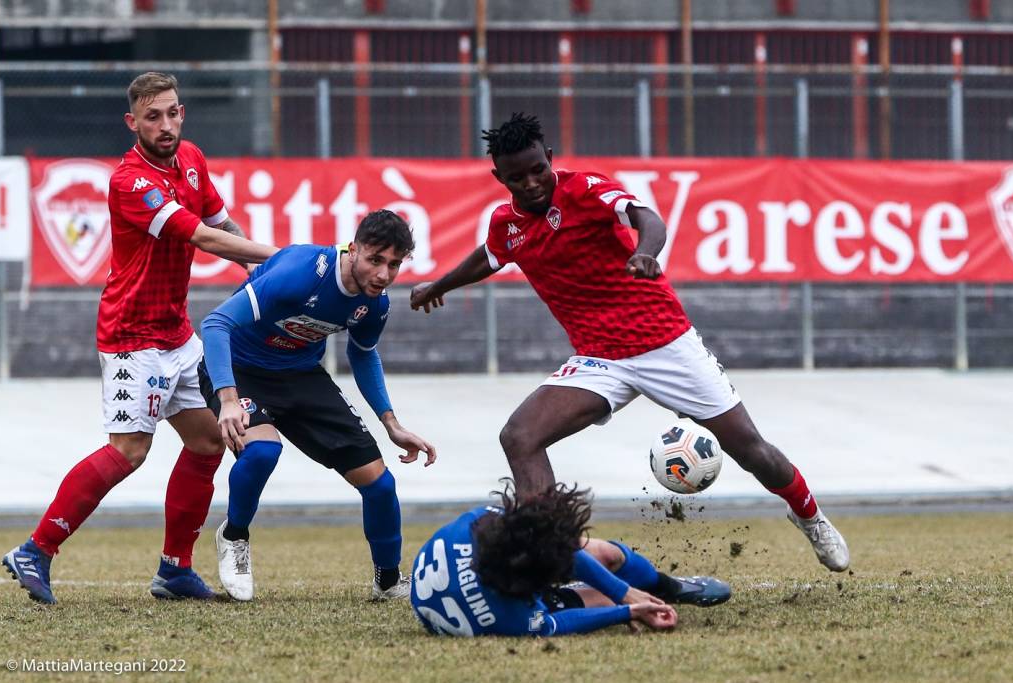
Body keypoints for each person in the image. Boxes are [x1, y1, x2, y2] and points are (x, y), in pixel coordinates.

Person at [410, 113, 850, 573]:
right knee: (519, 436)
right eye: (517, 178)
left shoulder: (585, 189)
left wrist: (645, 251)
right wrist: (439, 285)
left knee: (750, 450)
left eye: (538, 169)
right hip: (599, 359)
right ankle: (548, 555)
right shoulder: (507, 223)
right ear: (500, 178)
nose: (532, 183)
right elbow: (491, 256)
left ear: (551, 160)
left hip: (666, 344)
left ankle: (809, 515)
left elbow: (647, 218)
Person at [1, 72, 278, 605]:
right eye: (154, 116)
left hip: (176, 333)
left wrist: (265, 275)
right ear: (134, 123)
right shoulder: (130, 181)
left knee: (207, 441)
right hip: (132, 337)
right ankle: (36, 550)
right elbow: (199, 235)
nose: (167, 124)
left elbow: (227, 228)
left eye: (173, 112)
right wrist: (282, 257)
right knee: (130, 450)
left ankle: (174, 570)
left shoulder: (193, 160)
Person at [198, 209, 436, 602]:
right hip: (239, 370)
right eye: (375, 260)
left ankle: (389, 580)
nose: (383, 274)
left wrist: (390, 422)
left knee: (380, 484)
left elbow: (363, 355)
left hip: (301, 376)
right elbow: (215, 324)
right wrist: (226, 399)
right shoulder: (303, 270)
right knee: (261, 452)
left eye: (394, 265)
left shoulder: (374, 305)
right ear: (353, 249)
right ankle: (234, 535)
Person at [410, 479, 730, 637]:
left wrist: (625, 592)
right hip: (495, 596)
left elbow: (555, 546)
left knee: (603, 555)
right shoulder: (513, 618)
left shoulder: (478, 525)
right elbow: (554, 623)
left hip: (494, 577)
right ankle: (647, 599)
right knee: (605, 602)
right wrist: (626, 610)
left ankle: (666, 587)